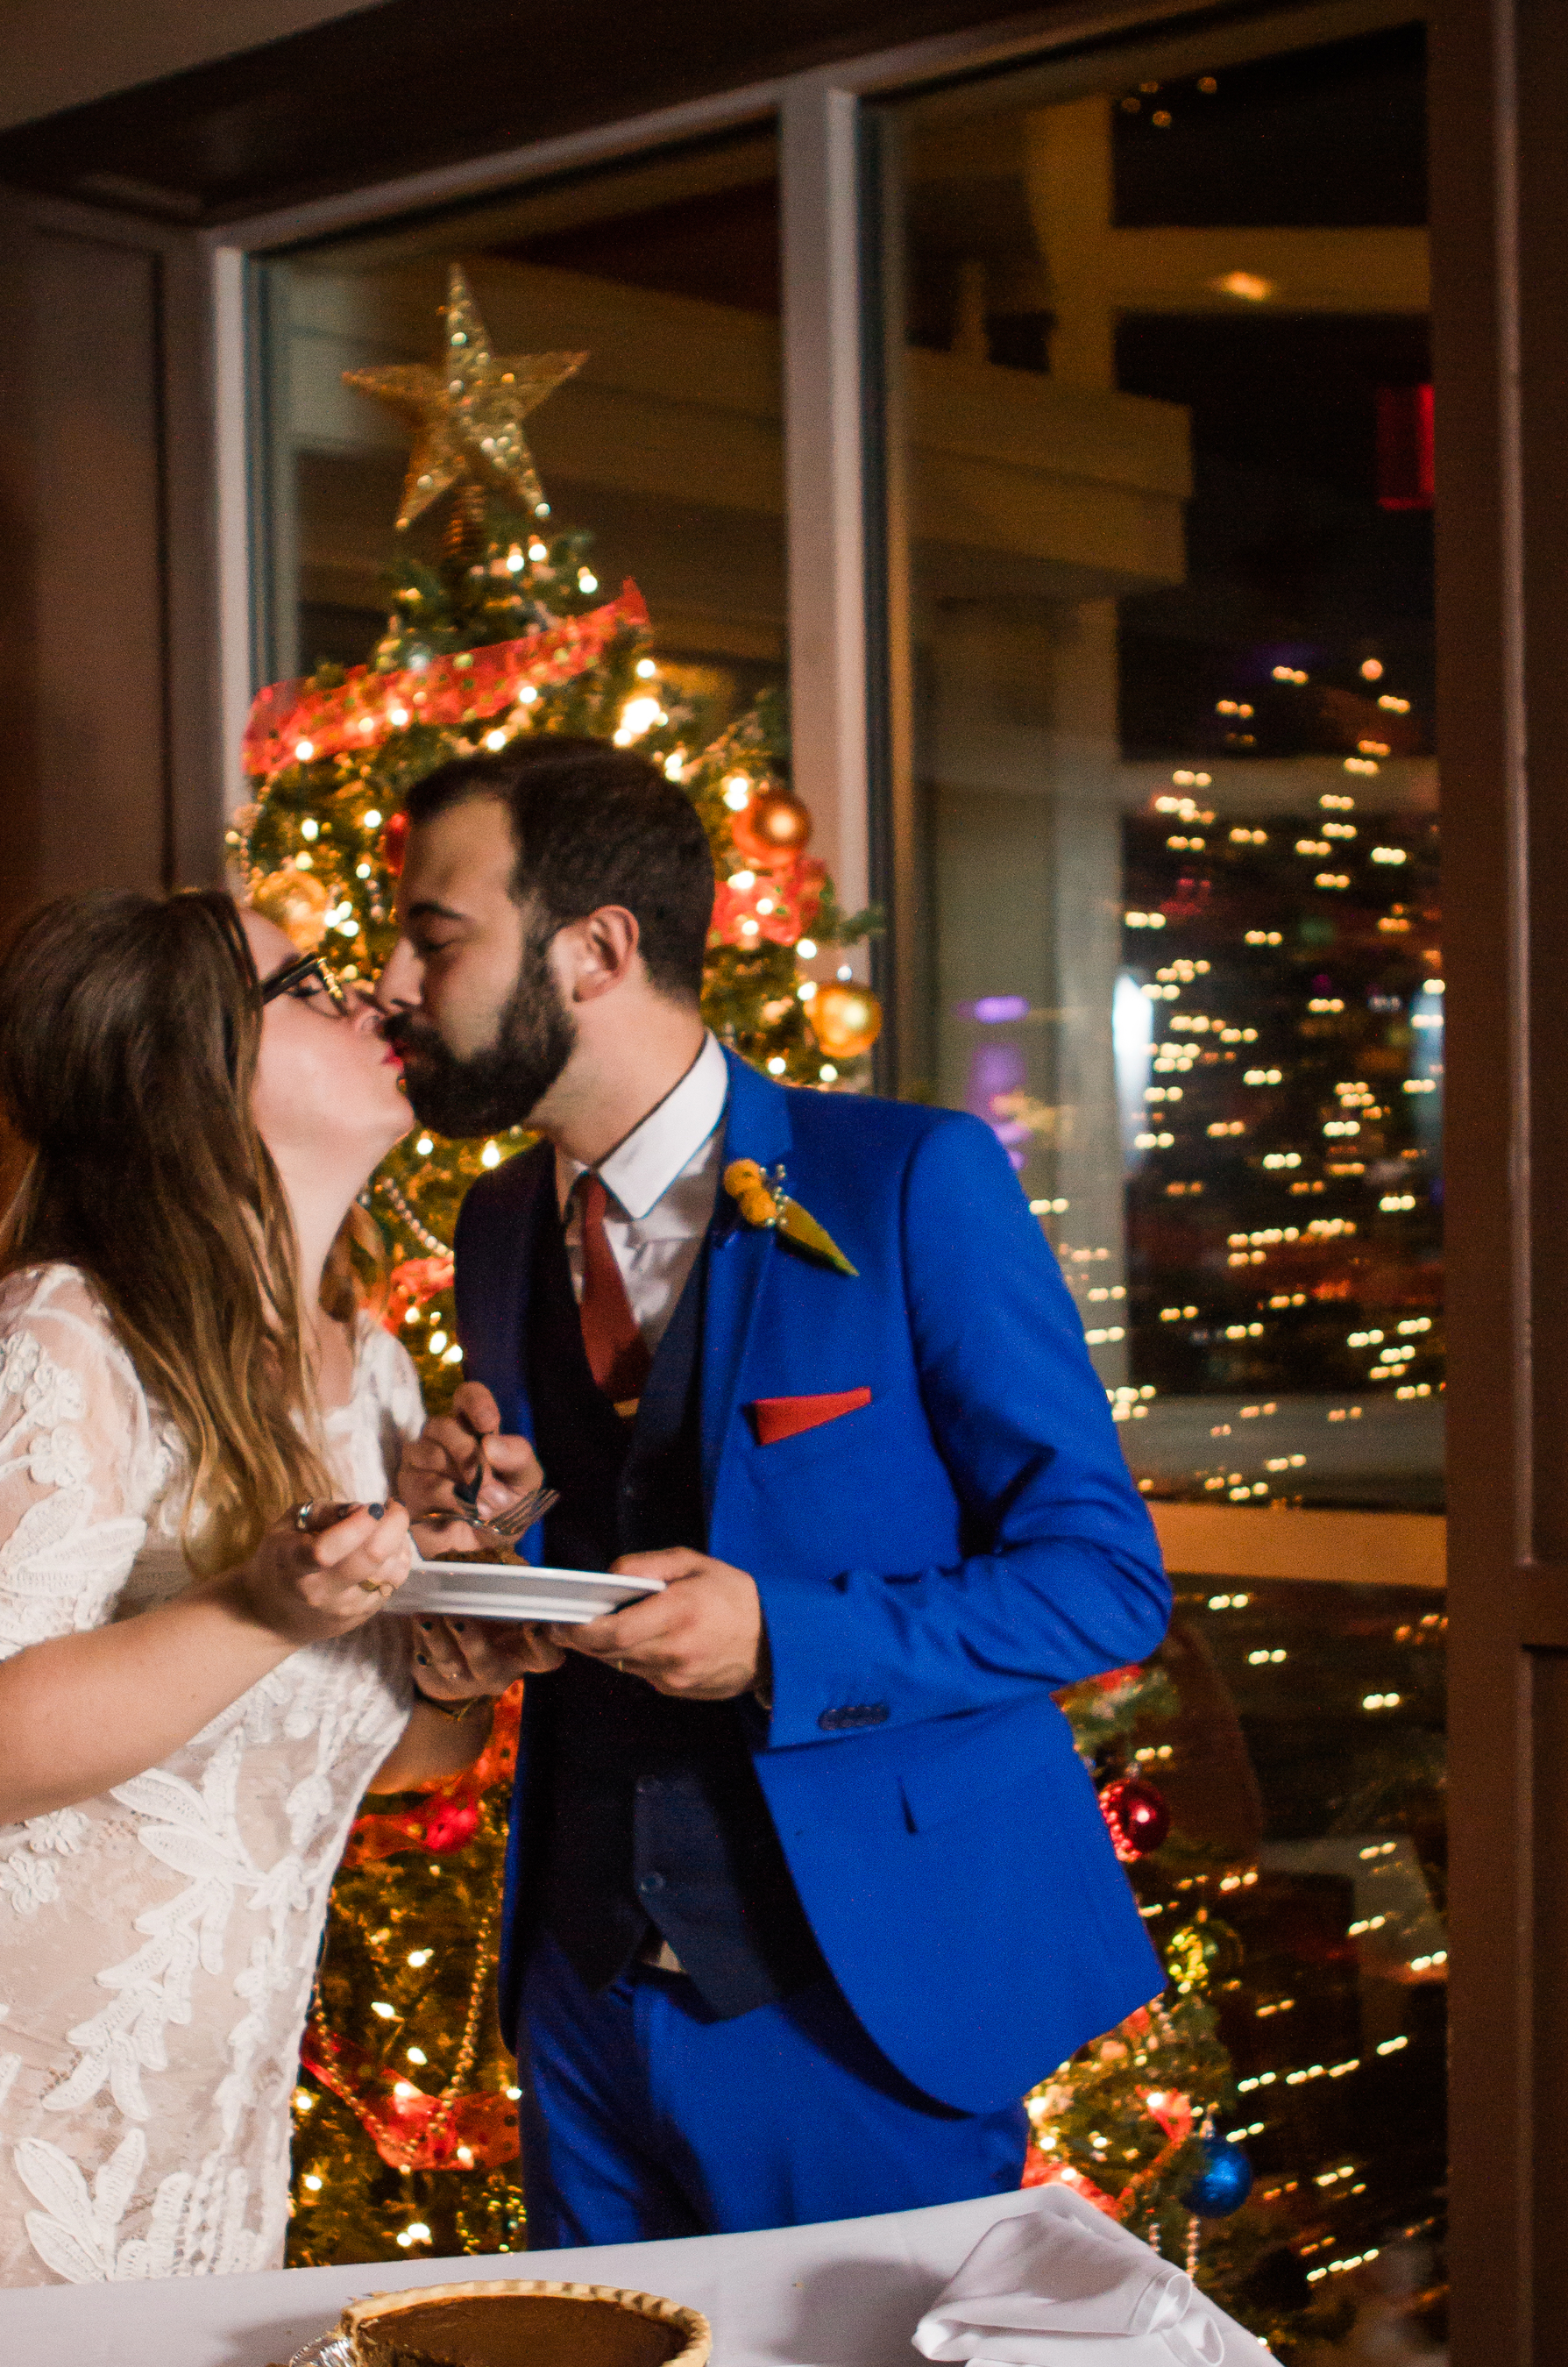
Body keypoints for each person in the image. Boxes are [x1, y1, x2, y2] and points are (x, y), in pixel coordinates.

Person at [380, 744, 1173, 2249]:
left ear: (597, 948)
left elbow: (1103, 1579)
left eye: (437, 935)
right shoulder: (495, 1224)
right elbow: (590, 1516)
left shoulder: (908, 1180)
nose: (401, 985)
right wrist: (483, 1537)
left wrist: (783, 1640)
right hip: (577, 1981)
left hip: (857, 1996)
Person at [0, 890, 507, 2305]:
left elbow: (344, 1764)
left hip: (178, 2136)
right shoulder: (58, 1334)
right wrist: (266, 1603)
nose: (370, 1000)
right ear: (177, 1075)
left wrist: (445, 1663)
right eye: (306, 985)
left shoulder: (374, 1376)